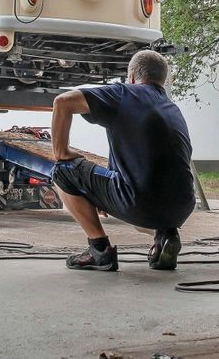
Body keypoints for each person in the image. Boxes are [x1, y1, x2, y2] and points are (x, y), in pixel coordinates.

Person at [50, 49, 195, 272]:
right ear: (163, 80)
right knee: (141, 196)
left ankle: (99, 251)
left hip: (139, 202)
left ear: (132, 77)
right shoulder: (171, 108)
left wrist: (61, 151)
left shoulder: (125, 93)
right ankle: (164, 235)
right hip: (181, 207)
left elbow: (63, 102)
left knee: (62, 171)